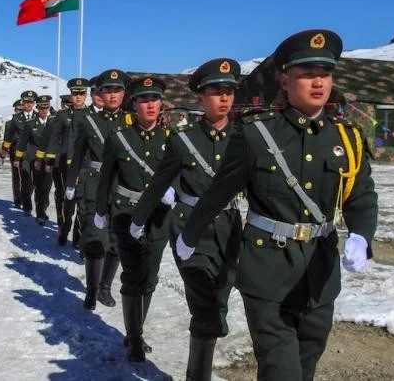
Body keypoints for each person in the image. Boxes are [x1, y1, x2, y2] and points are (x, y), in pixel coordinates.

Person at [178, 30, 378, 380]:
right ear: (285, 81)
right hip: (267, 272)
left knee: (305, 367)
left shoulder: (347, 138)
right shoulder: (256, 134)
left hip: (320, 273)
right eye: (307, 74)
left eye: (325, 74)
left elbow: (361, 196)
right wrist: (190, 235)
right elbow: (220, 192)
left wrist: (362, 235)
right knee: (280, 371)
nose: (318, 82)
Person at [131, 59, 243, 377]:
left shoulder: (246, 137)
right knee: (205, 306)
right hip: (189, 228)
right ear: (201, 96)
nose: (224, 97)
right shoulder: (183, 139)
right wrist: (139, 219)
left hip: (229, 229)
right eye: (215, 91)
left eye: (229, 91)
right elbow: (159, 183)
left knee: (219, 301)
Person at [93, 76, 173, 362]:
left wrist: (174, 191)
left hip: (159, 217)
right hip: (126, 215)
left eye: (154, 99)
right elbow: (106, 178)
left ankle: (137, 329)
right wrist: (100, 210)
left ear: (161, 103)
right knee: (132, 276)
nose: (150, 105)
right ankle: (134, 337)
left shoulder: (172, 139)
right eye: (143, 100)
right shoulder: (119, 138)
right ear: (134, 104)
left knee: (150, 277)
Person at [66, 70, 130, 310]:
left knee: (116, 240)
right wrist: (71, 183)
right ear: (100, 93)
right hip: (94, 184)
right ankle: (92, 290)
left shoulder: (131, 122)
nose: (112, 95)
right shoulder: (88, 121)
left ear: (124, 94)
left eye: (117, 90)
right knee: (95, 238)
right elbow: (78, 154)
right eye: (108, 90)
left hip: (122, 185)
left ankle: (105, 287)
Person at [44, 79, 88, 246]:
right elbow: (54, 139)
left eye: (81, 93)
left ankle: (78, 237)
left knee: (83, 202)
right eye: (75, 93)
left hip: (84, 165)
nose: (78, 97)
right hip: (65, 164)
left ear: (86, 95)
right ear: (71, 95)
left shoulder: (91, 115)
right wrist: (50, 160)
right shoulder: (62, 115)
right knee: (68, 200)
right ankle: (64, 229)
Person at [15, 95, 54, 225]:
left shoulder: (54, 122)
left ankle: (43, 208)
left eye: (46, 108)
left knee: (46, 187)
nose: (44, 110)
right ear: (37, 108)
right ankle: (39, 212)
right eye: (41, 108)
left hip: (48, 160)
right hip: (33, 160)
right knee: (35, 185)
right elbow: (22, 142)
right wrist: (18, 158)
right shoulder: (30, 124)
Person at [3, 90, 37, 215]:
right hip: (19, 153)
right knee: (22, 178)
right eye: (26, 102)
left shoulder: (39, 116)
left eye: (31, 102)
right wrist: (4, 152)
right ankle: (23, 202)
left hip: (35, 154)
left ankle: (25, 197)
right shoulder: (16, 119)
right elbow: (9, 136)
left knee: (33, 180)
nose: (28, 104)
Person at [2, 100, 24, 206]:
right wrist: (3, 152)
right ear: (15, 110)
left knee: (29, 177)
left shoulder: (30, 122)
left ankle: (25, 197)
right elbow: (7, 139)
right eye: (19, 110)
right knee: (16, 177)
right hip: (14, 152)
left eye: (22, 110)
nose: (20, 112)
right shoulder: (9, 123)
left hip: (28, 153)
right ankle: (17, 199)